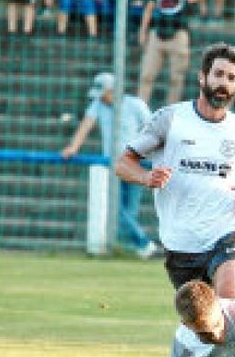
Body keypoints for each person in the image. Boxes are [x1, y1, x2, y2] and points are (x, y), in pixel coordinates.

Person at [117, 43, 235, 299]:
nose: (224, 83)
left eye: (231, 78)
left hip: (228, 228)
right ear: (202, 77)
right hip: (182, 240)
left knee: (229, 304)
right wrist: (145, 176)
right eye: (218, 74)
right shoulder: (171, 119)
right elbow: (123, 163)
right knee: (202, 325)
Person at [61, 72, 161, 259]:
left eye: (103, 93)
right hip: (113, 165)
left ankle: (137, 247)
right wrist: (73, 146)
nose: (100, 98)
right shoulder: (98, 105)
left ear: (113, 90)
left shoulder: (135, 104)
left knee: (128, 211)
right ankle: (142, 243)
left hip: (134, 163)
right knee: (117, 211)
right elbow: (86, 125)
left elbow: (153, 128)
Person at [137, 0, 199, 105]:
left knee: (176, 79)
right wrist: (143, 31)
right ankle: (140, 108)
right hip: (157, 34)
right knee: (146, 75)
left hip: (179, 35)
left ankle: (171, 111)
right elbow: (149, 9)